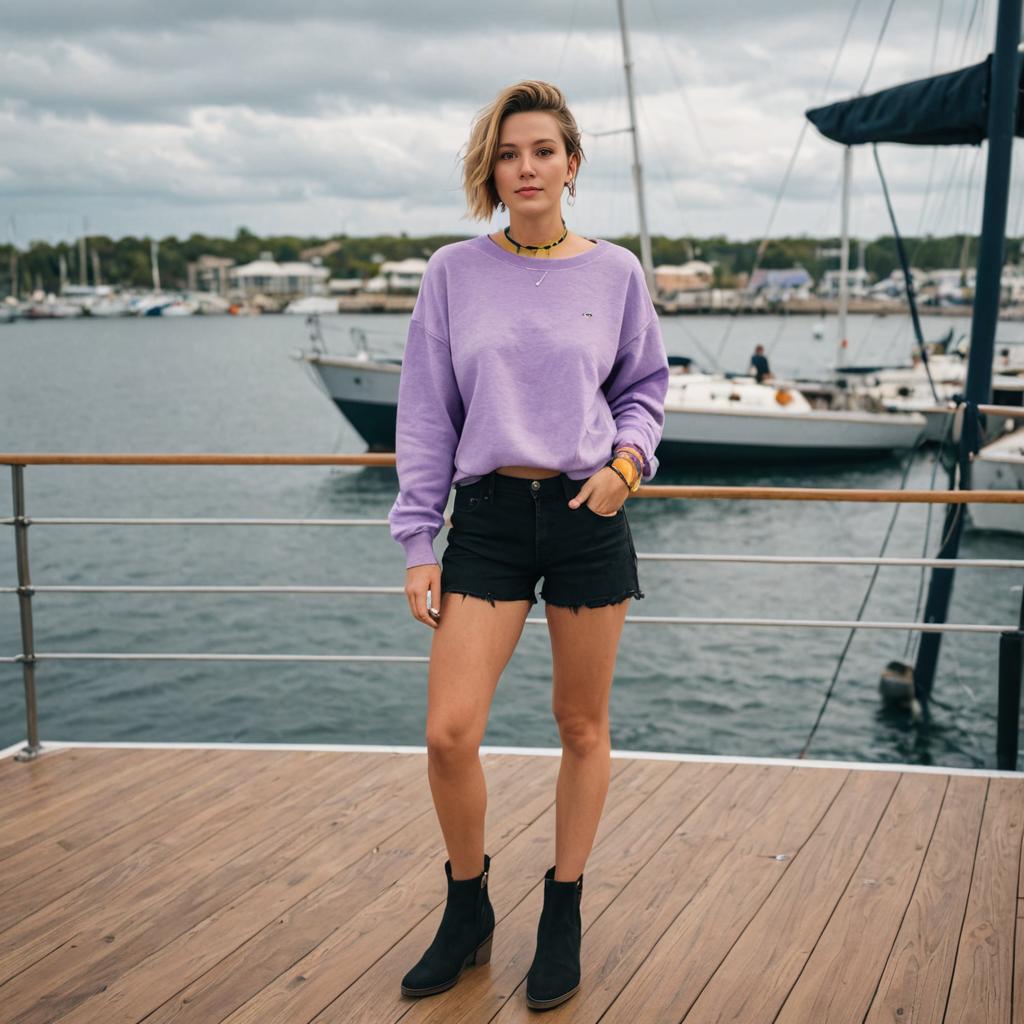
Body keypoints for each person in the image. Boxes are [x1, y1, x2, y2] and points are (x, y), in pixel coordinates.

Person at [387, 79, 669, 1011]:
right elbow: (427, 414)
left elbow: (645, 388)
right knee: (448, 731)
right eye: (509, 154)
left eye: (543, 150)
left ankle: (563, 907)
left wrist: (627, 466)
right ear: (491, 171)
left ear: (572, 164)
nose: (526, 167)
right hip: (491, 520)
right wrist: (419, 539)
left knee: (581, 726)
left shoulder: (617, 272)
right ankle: (468, 908)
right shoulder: (451, 273)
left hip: (589, 515)